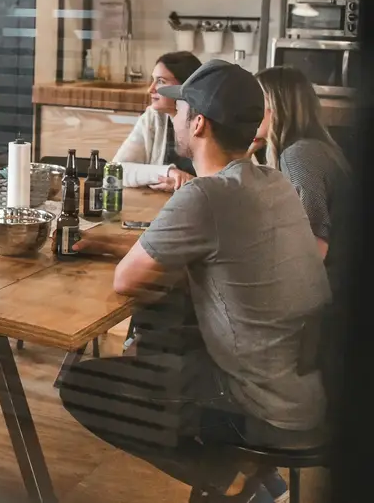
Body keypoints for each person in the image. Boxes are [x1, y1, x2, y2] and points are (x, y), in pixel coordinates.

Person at [61, 60, 331, 503]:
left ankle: (229, 477)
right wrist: (114, 245)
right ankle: (250, 477)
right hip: (307, 388)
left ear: (199, 123)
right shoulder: (273, 181)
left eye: (183, 109)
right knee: (169, 327)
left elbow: (127, 280)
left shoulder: (205, 195)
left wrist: (119, 252)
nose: (177, 116)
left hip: (258, 405)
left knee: (84, 386)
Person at [254, 66, 350, 268]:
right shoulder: (315, 147)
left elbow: (313, 248)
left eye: (254, 101)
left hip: (331, 289)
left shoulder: (300, 156)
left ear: (276, 106)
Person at [113, 51, 202, 190]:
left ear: (185, 86)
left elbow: (223, 184)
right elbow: (116, 170)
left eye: (160, 81)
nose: (150, 89)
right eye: (153, 80)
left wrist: (187, 184)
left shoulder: (207, 123)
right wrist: (168, 172)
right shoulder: (153, 117)